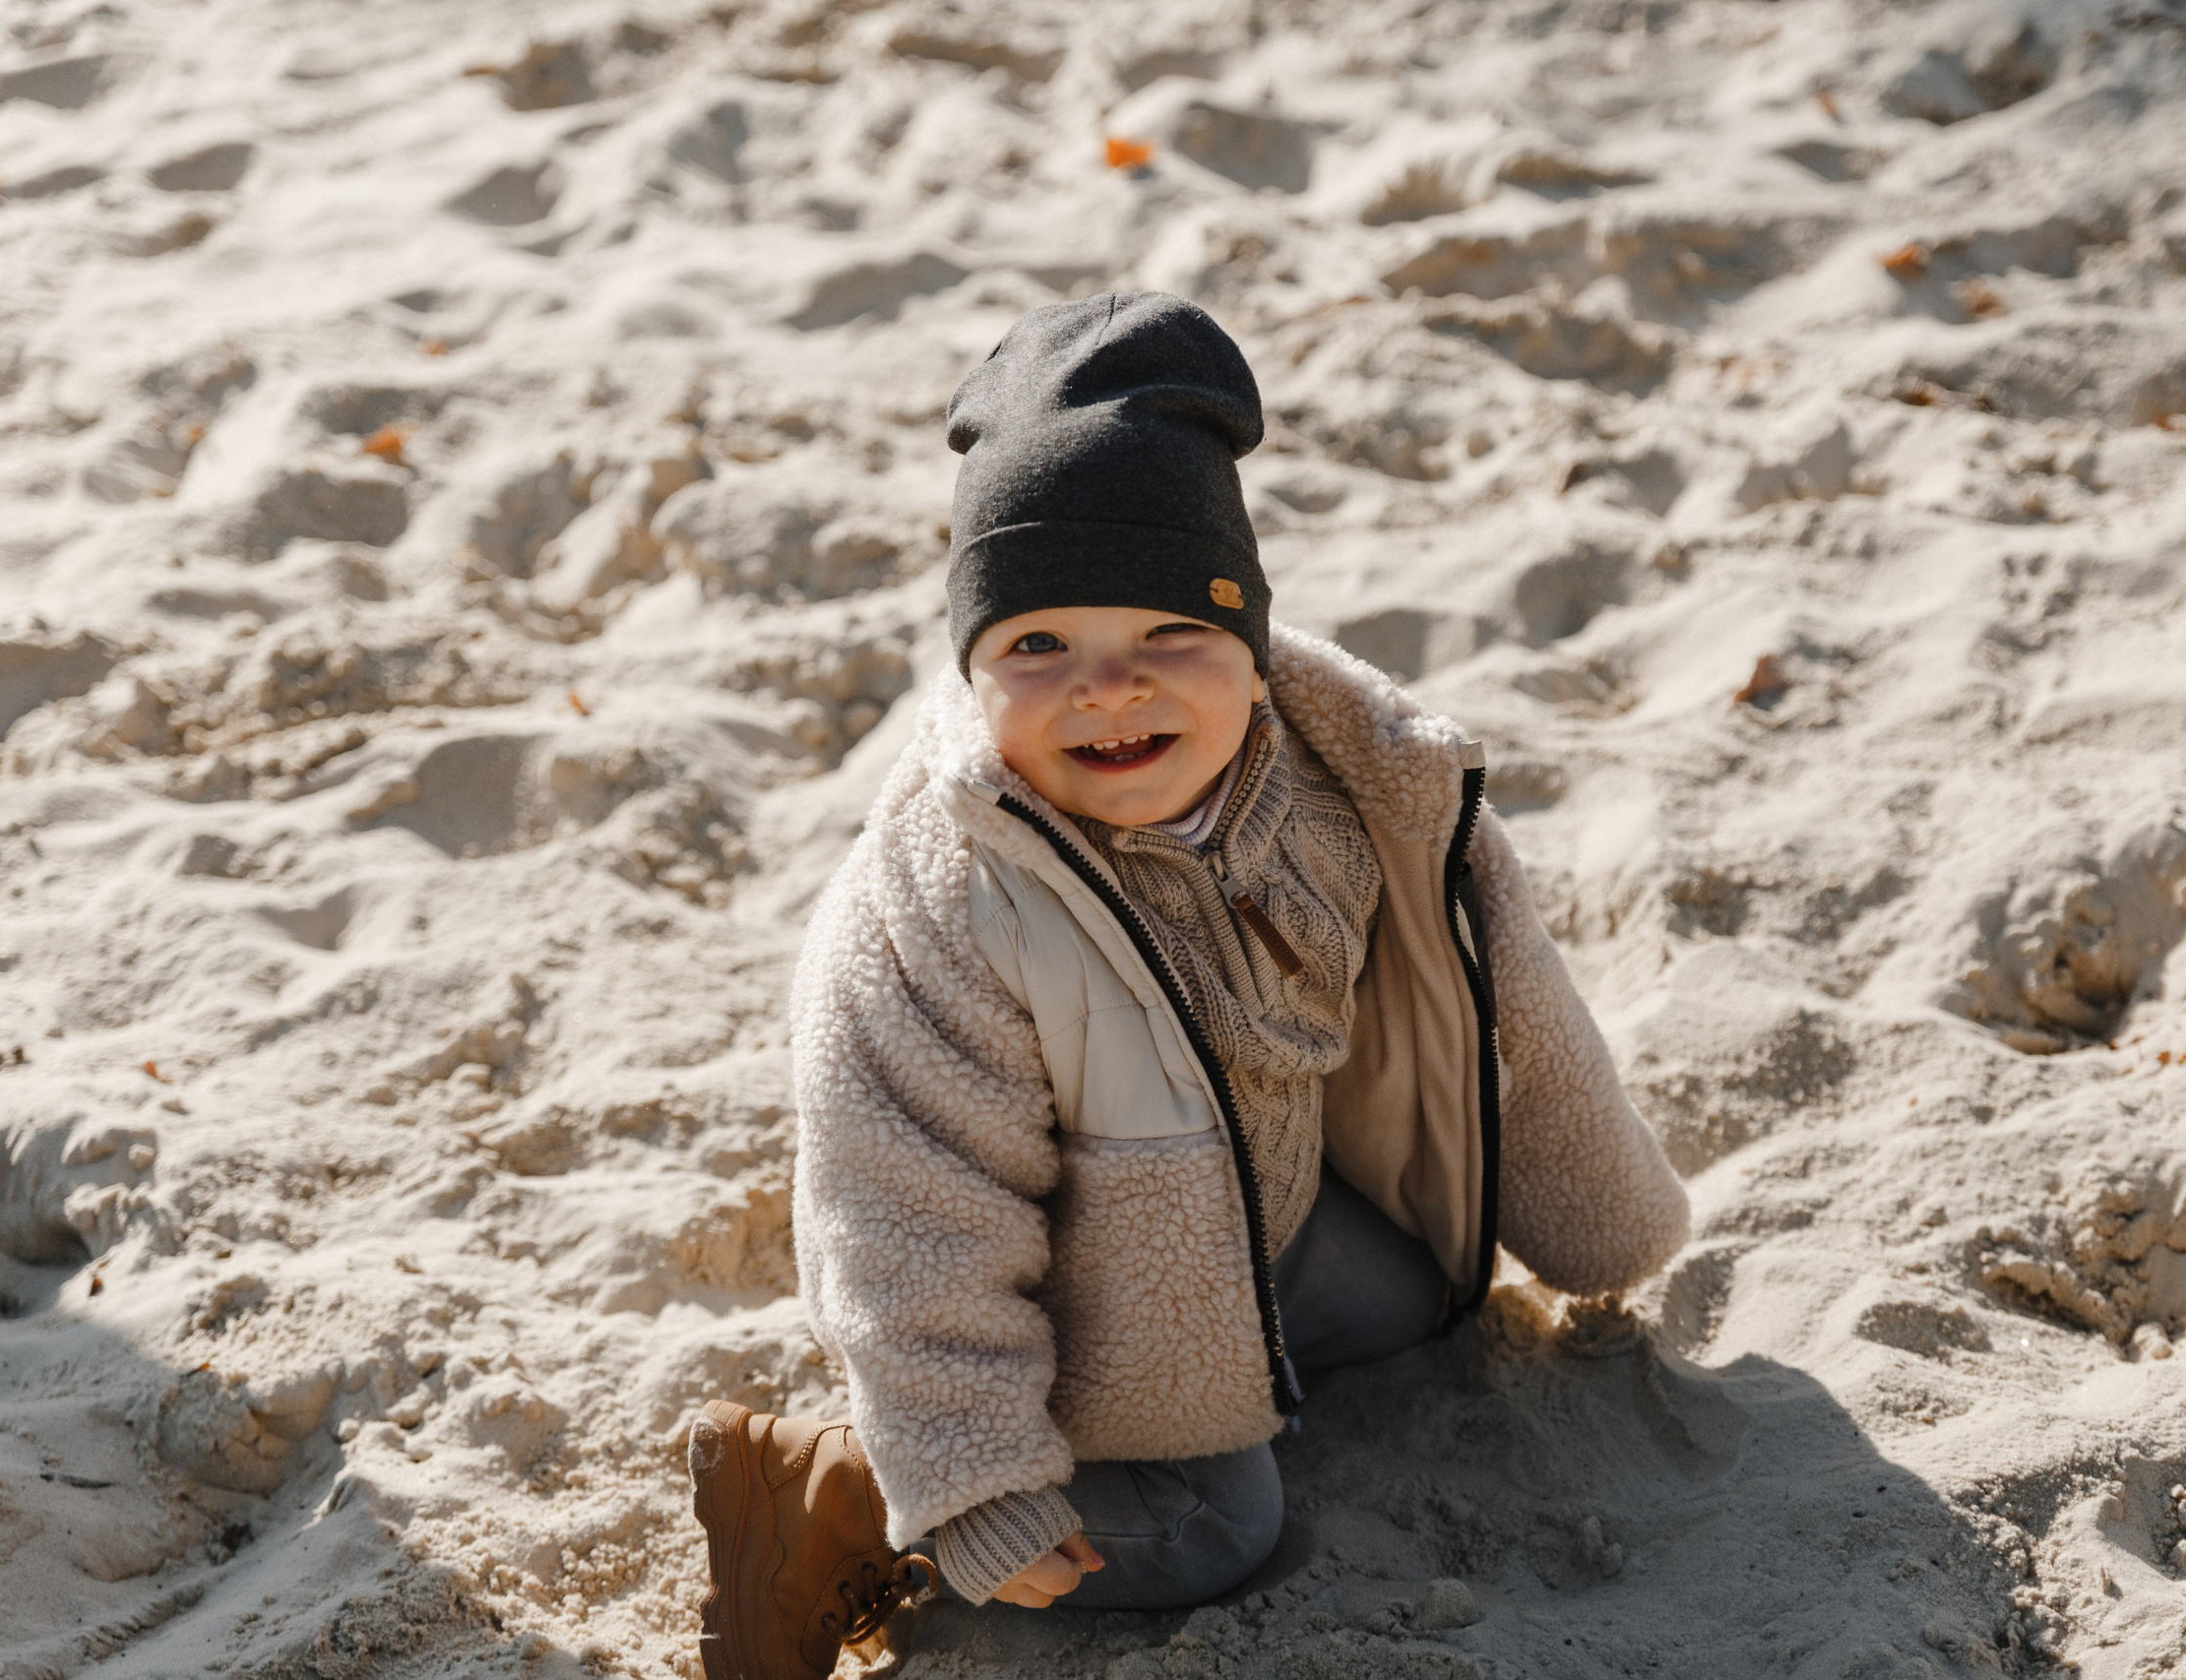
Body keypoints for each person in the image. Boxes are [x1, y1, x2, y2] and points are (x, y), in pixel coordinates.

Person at [687, 292, 1689, 1680]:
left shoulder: (1350, 780)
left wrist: (1601, 1218)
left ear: (1256, 657)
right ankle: (832, 1484)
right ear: (973, 669)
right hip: (1070, 1298)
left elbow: (1507, 1001)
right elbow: (903, 1208)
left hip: (1240, 1220)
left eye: (1169, 637)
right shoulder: (948, 901)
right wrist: (971, 1473)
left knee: (1410, 1300)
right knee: (1219, 1530)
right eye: (1037, 648)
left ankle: (1234, 1357)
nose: (1109, 692)